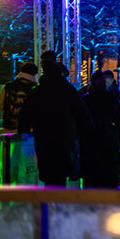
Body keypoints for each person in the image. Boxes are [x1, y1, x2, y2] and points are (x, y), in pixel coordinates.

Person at [18, 51, 93, 187]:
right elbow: (82, 113)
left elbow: (25, 114)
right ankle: (58, 203)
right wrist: (87, 132)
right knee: (61, 172)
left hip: (44, 138)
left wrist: (23, 131)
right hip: (65, 137)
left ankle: (51, 203)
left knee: (50, 174)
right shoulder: (67, 90)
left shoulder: (37, 91)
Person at [81, 71, 120, 188]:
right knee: (110, 185)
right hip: (109, 146)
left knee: (91, 185)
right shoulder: (111, 99)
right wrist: (117, 141)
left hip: (90, 148)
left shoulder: (85, 100)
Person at [0, 62, 38, 131]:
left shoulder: (7, 87)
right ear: (35, 74)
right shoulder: (36, 89)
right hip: (28, 129)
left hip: (9, 127)